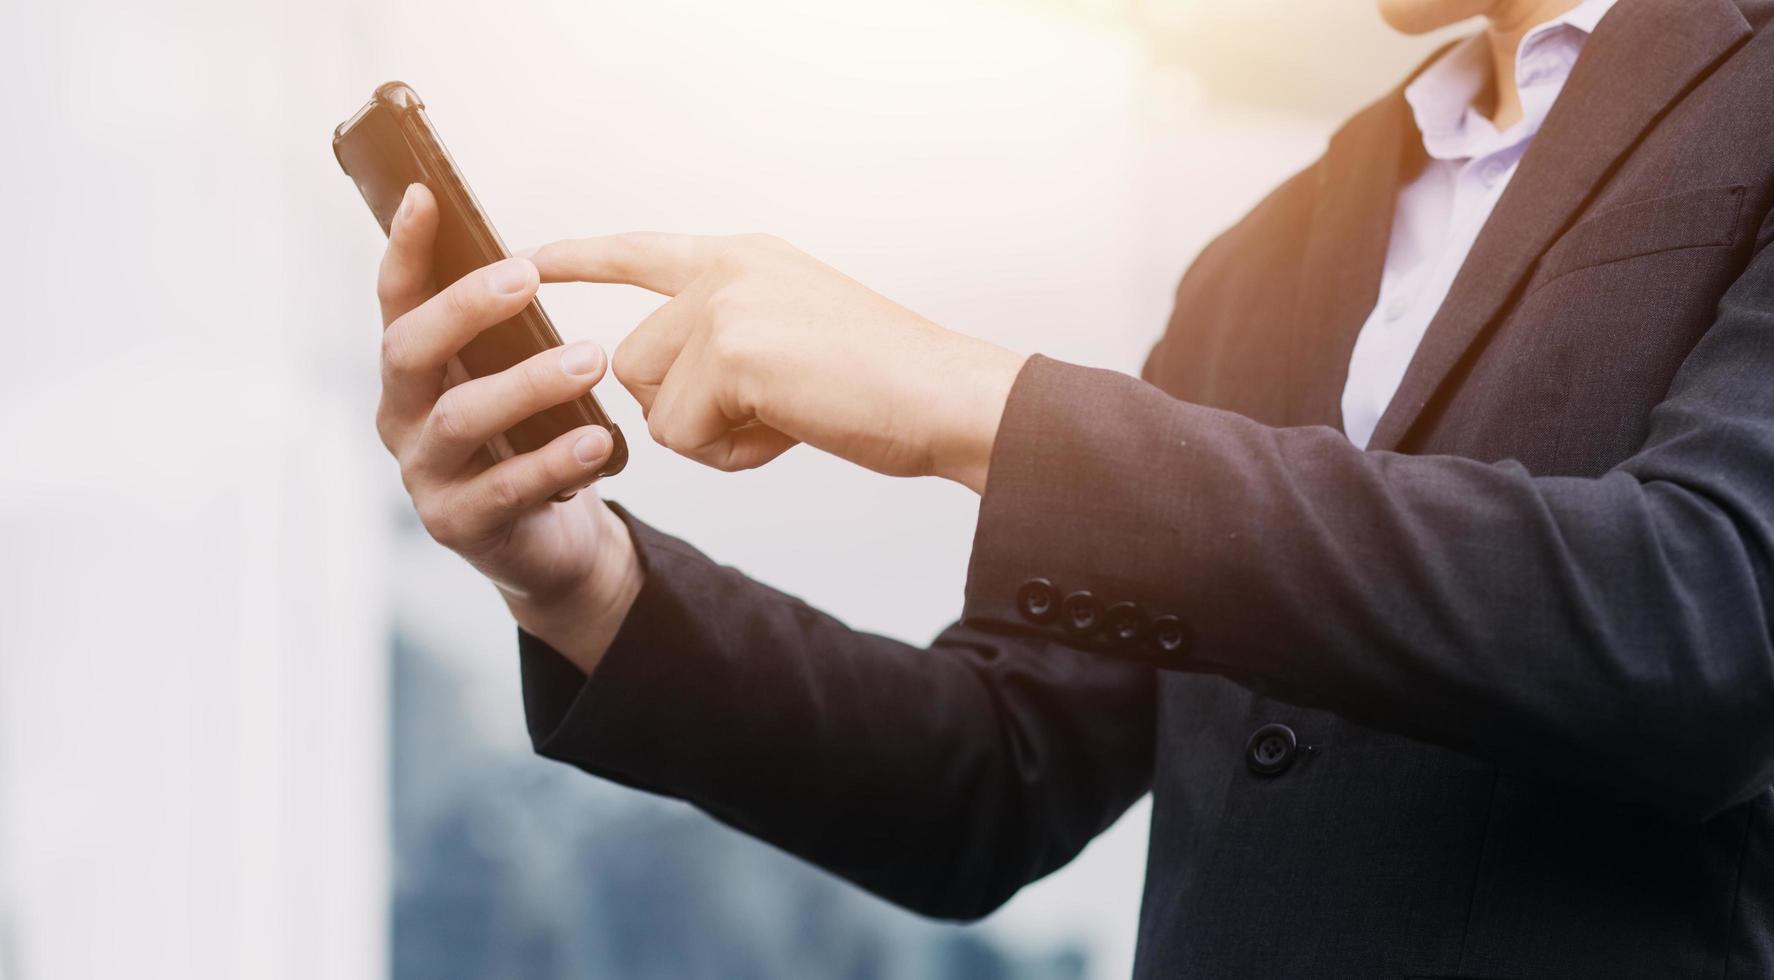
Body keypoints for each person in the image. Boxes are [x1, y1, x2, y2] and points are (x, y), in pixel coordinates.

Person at [368, 0, 1774, 975]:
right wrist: (585, 581)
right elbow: (989, 777)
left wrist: (966, 400)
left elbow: (1704, 625)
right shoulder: (1267, 257)